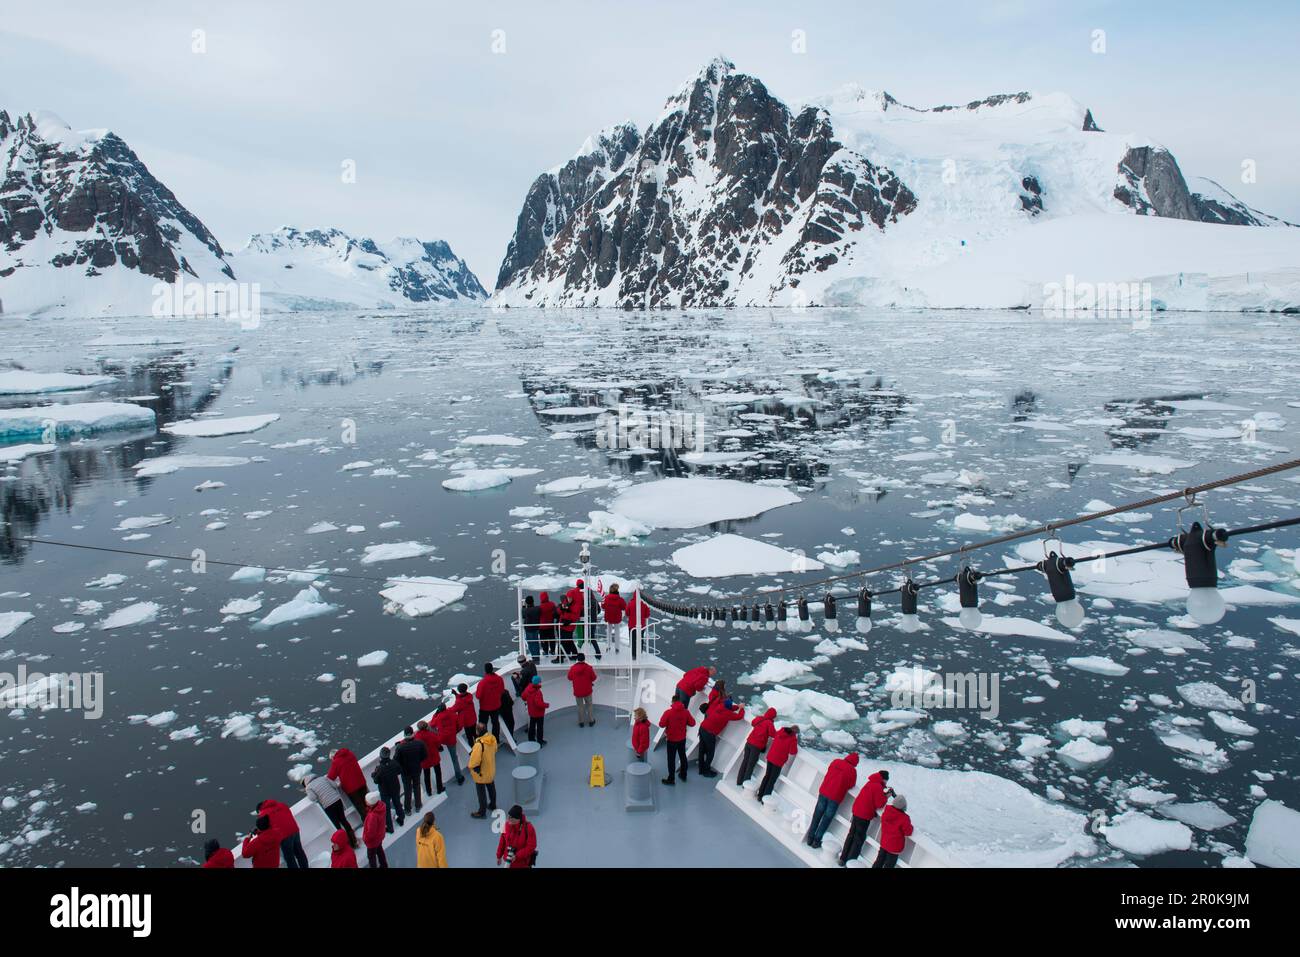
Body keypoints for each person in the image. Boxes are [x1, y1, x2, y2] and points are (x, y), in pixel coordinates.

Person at [805, 752, 859, 848]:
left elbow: (829, 770)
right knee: (826, 819)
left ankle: (810, 837)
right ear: (855, 763)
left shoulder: (836, 762)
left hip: (824, 791)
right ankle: (816, 841)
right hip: (835, 797)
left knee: (817, 816)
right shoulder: (852, 771)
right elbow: (851, 785)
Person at [840, 769, 890, 867]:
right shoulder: (878, 787)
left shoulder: (870, 783)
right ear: (884, 779)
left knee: (851, 835)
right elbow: (879, 804)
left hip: (856, 811)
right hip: (864, 815)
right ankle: (850, 862)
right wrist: (887, 796)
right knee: (858, 839)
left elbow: (870, 797)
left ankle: (843, 858)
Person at [304, 772, 357, 847]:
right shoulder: (323, 778)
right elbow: (335, 785)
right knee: (343, 820)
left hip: (328, 806)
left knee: (337, 825)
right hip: (337, 800)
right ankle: (354, 841)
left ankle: (346, 844)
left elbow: (313, 798)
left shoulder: (309, 787)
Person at [697, 697, 745, 777]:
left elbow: (729, 708)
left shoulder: (719, 706)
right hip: (709, 733)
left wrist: (738, 707)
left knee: (701, 749)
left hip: (702, 728)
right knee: (710, 752)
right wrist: (742, 709)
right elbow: (739, 717)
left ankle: (701, 769)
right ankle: (706, 771)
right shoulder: (727, 713)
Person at [258, 798, 308, 868]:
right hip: (294, 830)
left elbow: (264, 827)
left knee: (289, 857)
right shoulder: (282, 805)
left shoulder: (263, 814)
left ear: (260, 809)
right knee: (299, 852)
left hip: (284, 836)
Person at [756, 725, 799, 803]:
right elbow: (793, 751)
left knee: (767, 776)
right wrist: (795, 740)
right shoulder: (793, 739)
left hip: (770, 757)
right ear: (795, 733)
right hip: (778, 761)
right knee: (772, 780)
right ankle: (765, 799)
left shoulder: (780, 732)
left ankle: (760, 795)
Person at [736, 707, 777, 786]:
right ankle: (745, 784)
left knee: (745, 761)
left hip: (749, 742)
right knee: (750, 765)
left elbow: (753, 723)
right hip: (756, 746)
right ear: (773, 716)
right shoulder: (769, 723)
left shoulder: (759, 718)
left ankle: (739, 781)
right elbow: (773, 734)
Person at [658, 698, 696, 785]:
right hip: (682, 739)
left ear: (672, 702)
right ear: (680, 702)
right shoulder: (686, 712)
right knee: (683, 756)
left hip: (671, 740)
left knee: (671, 759)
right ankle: (683, 775)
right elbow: (692, 723)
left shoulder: (668, 712)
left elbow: (661, 724)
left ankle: (671, 779)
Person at [393, 726, 428, 816]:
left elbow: (396, 760)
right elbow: (424, 756)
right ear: (413, 733)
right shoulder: (420, 743)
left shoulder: (400, 747)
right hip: (416, 769)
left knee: (407, 789)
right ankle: (418, 805)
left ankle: (408, 809)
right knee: (416, 786)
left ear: (404, 735)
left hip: (405, 772)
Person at [326, 746, 368, 820]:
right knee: (368, 802)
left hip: (351, 788)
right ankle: (377, 819)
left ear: (333, 756)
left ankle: (368, 822)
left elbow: (331, 776)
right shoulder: (350, 754)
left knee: (360, 806)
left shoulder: (336, 762)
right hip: (361, 781)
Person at [872, 794, 913, 869]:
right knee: (889, 865)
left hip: (884, 843)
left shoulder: (887, 811)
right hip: (894, 848)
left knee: (879, 861)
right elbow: (908, 832)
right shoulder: (904, 818)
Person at [468, 722, 499, 819]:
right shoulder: (492, 738)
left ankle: (482, 812)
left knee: (481, 792)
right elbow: (495, 750)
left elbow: (473, 762)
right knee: (491, 787)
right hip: (490, 769)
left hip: (481, 773)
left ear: (477, 731)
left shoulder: (479, 745)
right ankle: (493, 805)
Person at [370, 746, 404, 831]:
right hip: (395, 787)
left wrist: (374, 775)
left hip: (385, 791)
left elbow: (376, 781)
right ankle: (401, 819)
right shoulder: (394, 763)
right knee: (397, 803)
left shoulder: (379, 768)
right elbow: (399, 771)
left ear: (381, 756)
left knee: (387, 809)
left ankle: (390, 827)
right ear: (389, 755)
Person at [432, 704, 466, 785]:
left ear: (439, 710)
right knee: (454, 758)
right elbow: (458, 723)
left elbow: (432, 724)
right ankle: (459, 777)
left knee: (431, 729)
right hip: (451, 739)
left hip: (442, 739)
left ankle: (439, 746)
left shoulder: (438, 717)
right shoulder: (452, 714)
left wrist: (435, 714)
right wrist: (456, 731)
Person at [475, 663, 506, 739]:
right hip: (496, 705)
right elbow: (502, 691)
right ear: (492, 669)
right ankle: (496, 739)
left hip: (485, 708)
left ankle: (484, 740)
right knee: (495, 723)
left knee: (483, 724)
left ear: (485, 670)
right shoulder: (499, 679)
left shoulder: (482, 683)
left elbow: (478, 696)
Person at [414, 720, 445, 796]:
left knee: (426, 775)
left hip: (424, 760)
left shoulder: (417, 736)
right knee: (438, 772)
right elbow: (438, 743)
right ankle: (439, 788)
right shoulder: (431, 734)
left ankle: (429, 791)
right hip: (434, 756)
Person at [567, 652, 598, 727]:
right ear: (584, 659)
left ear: (577, 659)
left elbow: (569, 678)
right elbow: (594, 678)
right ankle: (591, 721)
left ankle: (581, 722)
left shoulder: (573, 668)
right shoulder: (589, 668)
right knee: (589, 705)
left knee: (580, 707)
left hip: (578, 691)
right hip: (587, 690)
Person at [362, 792, 388, 868]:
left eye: (366, 800)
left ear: (371, 803)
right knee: (379, 851)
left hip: (372, 842)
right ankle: (384, 865)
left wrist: (365, 839)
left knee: (371, 857)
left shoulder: (372, 816)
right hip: (379, 837)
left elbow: (371, 833)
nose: (365, 801)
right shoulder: (380, 807)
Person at [558, 583, 582, 660]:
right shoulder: (568, 603)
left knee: (565, 641)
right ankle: (573, 655)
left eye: (570, 598)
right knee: (568, 641)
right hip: (565, 624)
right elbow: (560, 611)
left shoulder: (575, 605)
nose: (569, 599)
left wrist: (567, 618)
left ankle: (561, 657)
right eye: (568, 597)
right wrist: (562, 609)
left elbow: (575, 616)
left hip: (568, 625)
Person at [522, 675, 549, 744]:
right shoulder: (538, 692)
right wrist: (546, 705)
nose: (541, 683)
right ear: (538, 683)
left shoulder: (528, 688)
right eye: (540, 682)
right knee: (540, 727)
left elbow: (523, 697)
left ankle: (531, 739)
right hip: (539, 713)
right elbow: (539, 704)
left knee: (532, 726)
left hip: (531, 711)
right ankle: (540, 741)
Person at [601, 583, 627, 653]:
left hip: (609, 617)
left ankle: (608, 646)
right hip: (617, 618)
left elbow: (603, 606)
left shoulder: (606, 598)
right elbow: (624, 607)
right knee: (617, 633)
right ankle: (617, 648)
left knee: (608, 632)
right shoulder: (620, 599)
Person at [625, 591, 649, 660]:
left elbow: (627, 613)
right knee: (640, 639)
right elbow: (647, 615)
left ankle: (633, 655)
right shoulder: (644, 604)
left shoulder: (630, 603)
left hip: (632, 626)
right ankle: (640, 652)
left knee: (633, 640)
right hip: (641, 626)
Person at [539, 591, 561, 661]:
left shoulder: (540, 607)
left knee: (543, 640)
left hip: (542, 627)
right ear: (547, 597)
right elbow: (556, 612)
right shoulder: (552, 604)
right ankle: (553, 650)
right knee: (552, 639)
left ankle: (545, 651)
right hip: (551, 625)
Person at [454, 683, 478, 748]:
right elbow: (462, 697)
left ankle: (473, 749)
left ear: (459, 690)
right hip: (473, 719)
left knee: (469, 737)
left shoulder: (459, 702)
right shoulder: (469, 695)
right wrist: (456, 694)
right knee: (475, 733)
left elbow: (454, 709)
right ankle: (479, 745)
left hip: (466, 722)